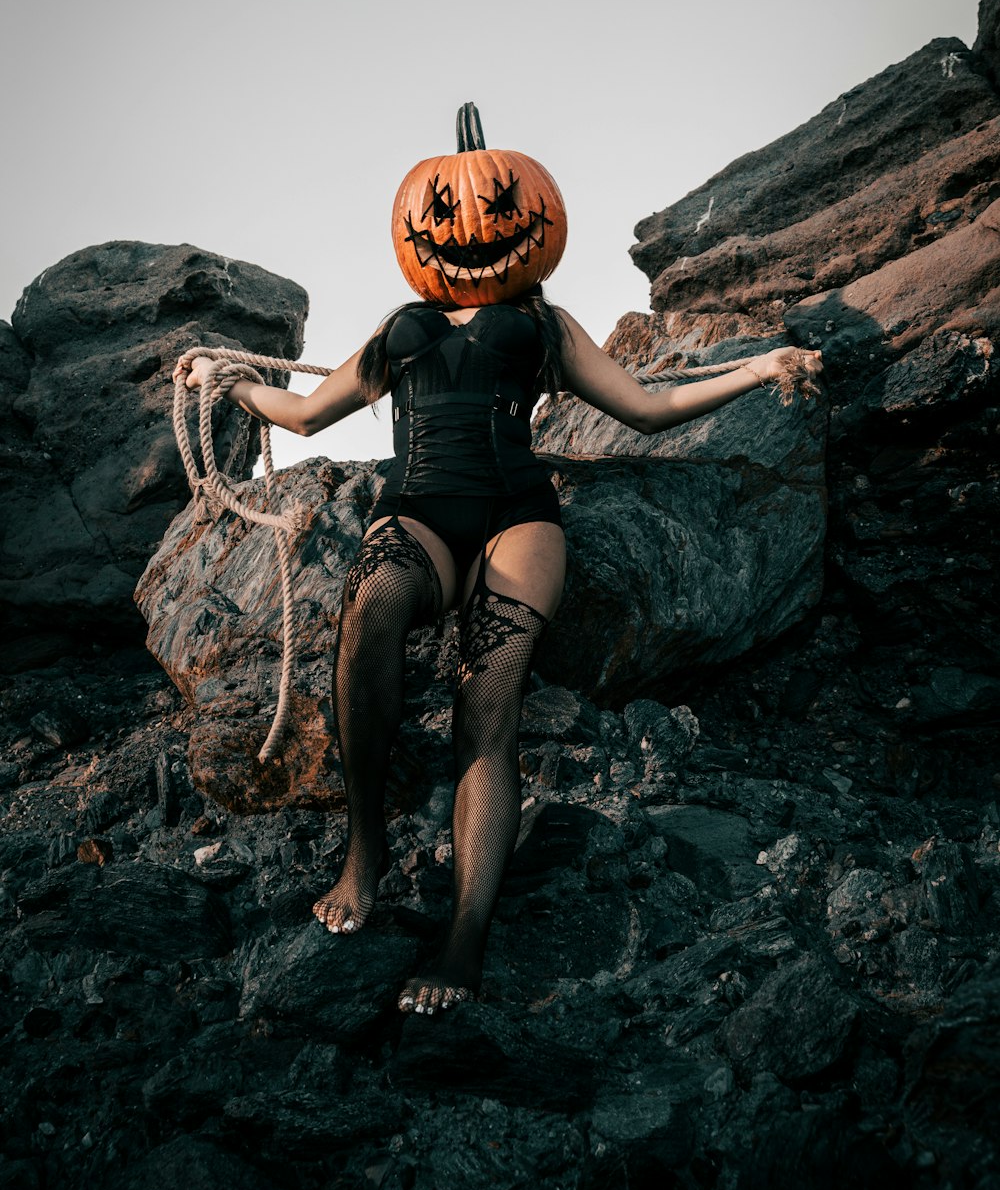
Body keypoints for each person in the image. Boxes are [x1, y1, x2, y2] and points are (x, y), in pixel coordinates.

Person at [181, 294, 823, 1016]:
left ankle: (464, 941)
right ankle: (364, 853)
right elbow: (303, 415)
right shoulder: (403, 323)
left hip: (518, 518)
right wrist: (224, 379)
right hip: (416, 510)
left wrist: (761, 368)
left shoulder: (542, 324)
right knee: (373, 601)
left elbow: (644, 408)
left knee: (487, 706)